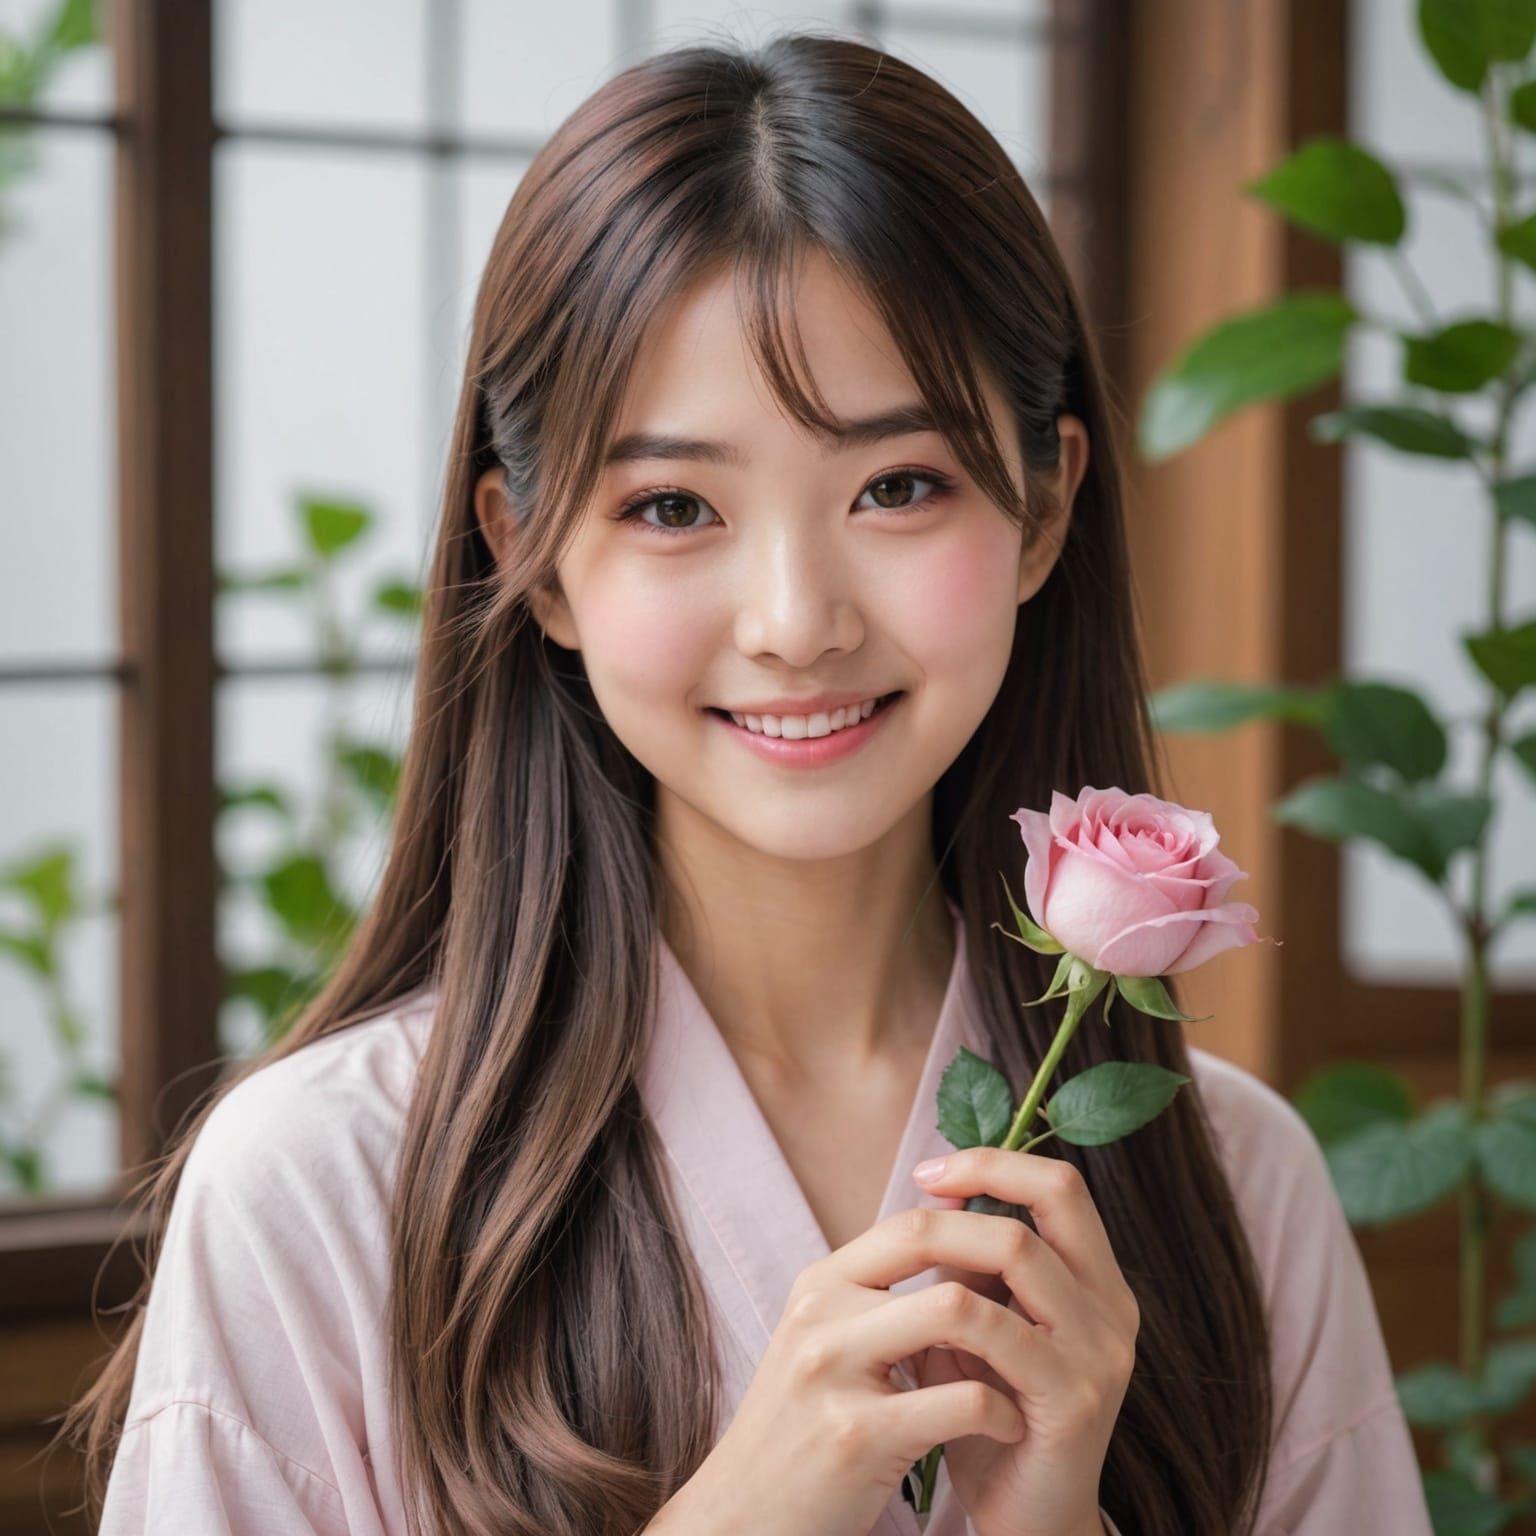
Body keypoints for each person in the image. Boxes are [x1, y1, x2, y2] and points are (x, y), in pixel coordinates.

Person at [61, 30, 1430, 1536]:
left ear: (1043, 509)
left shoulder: (1234, 1183)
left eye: (897, 486)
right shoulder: (319, 1191)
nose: (795, 619)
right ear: (530, 554)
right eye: (672, 506)